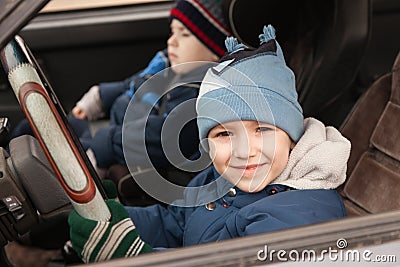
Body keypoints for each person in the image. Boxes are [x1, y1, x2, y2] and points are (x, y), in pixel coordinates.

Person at [68, 25, 351, 263]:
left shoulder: (303, 213)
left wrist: (133, 255)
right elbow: (174, 225)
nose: (244, 150)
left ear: (293, 136)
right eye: (224, 135)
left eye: (262, 129)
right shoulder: (217, 179)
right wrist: (112, 217)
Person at [10, 0, 231, 175]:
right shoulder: (168, 65)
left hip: (126, 154)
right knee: (41, 121)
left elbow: (165, 136)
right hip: (114, 131)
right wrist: (99, 97)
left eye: (184, 35)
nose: (172, 41)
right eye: (172, 32)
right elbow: (133, 83)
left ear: (214, 51)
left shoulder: (200, 97)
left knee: (56, 155)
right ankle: (8, 148)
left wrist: (105, 146)